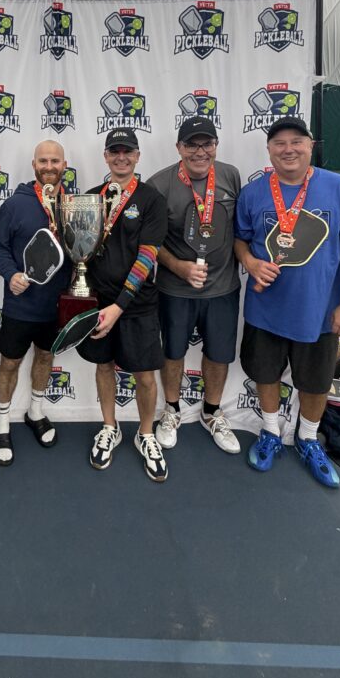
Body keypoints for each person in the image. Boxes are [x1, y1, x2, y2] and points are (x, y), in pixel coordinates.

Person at [234, 116, 340, 488]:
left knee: (315, 382)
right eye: (279, 143)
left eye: (297, 141)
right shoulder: (253, 193)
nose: (288, 149)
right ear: (269, 150)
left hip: (321, 312)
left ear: (311, 146)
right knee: (265, 374)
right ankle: (270, 431)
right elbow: (241, 240)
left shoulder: (339, 187)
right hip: (266, 309)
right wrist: (249, 262)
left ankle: (308, 438)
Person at [76, 128, 169, 482]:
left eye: (127, 151)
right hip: (97, 302)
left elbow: (147, 258)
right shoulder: (88, 199)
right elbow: (80, 253)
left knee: (144, 374)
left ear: (137, 156)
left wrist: (119, 307)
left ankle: (145, 433)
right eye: (114, 151)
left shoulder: (151, 199)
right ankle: (110, 426)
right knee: (104, 367)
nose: (121, 157)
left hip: (137, 304)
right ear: (105, 156)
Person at [147, 116, 241, 455]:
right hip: (175, 290)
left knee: (218, 355)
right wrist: (179, 267)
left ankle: (212, 412)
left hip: (224, 288)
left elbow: (239, 231)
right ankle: (171, 410)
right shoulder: (159, 184)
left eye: (206, 143)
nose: (200, 151)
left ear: (215, 146)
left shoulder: (230, 176)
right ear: (179, 148)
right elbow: (150, 243)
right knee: (172, 352)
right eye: (191, 144)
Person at [0, 140, 72, 465]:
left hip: (57, 305)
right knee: (9, 363)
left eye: (55, 160)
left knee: (45, 357)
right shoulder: (15, 204)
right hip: (20, 305)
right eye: (43, 160)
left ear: (64, 164)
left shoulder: (75, 205)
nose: (49, 166)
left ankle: (35, 411)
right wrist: (10, 274)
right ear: (33, 164)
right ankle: (3, 421)